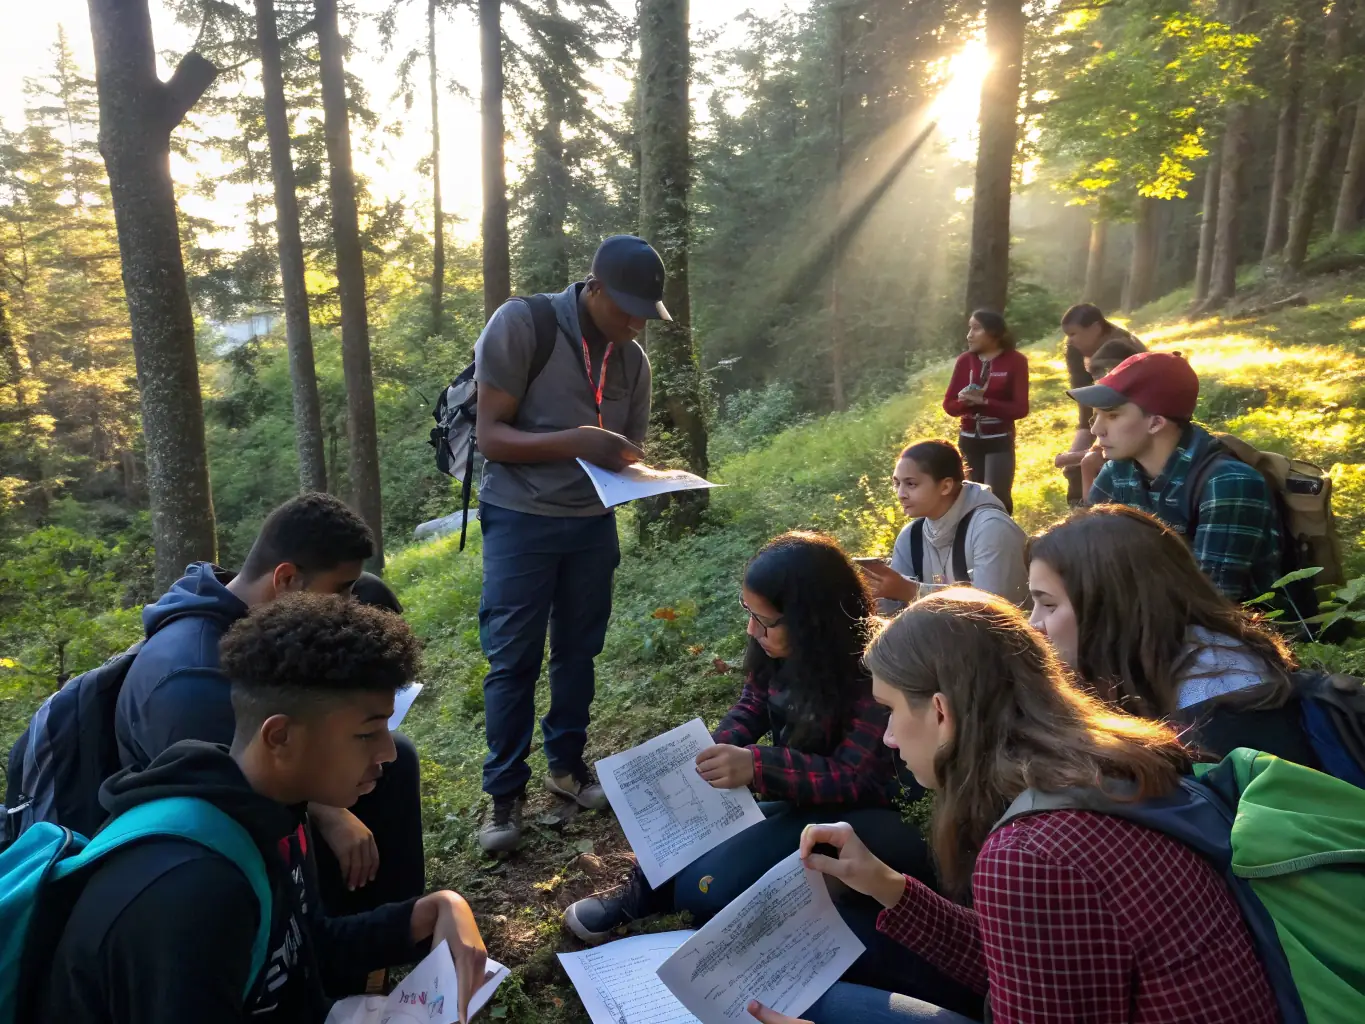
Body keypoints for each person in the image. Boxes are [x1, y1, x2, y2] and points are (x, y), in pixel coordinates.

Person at [748, 589, 1278, 1024]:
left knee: (813, 1002)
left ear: (941, 712)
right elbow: (1035, 965)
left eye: (890, 710)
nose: (887, 736)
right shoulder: (1110, 762)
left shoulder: (1030, 852)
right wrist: (886, 885)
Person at [38, 593, 488, 1024]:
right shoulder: (190, 892)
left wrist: (431, 911)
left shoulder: (275, 810)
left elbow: (299, 951)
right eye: (367, 733)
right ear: (281, 737)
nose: (388, 752)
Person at [563, 534, 950, 990]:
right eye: (748, 613)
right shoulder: (776, 650)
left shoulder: (872, 665)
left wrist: (758, 766)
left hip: (869, 816)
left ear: (812, 619)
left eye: (764, 620)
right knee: (700, 833)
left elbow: (856, 777)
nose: (752, 630)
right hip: (802, 799)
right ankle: (641, 895)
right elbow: (753, 702)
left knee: (710, 888)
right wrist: (716, 749)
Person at [114, 493, 427, 931]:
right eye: (341, 590)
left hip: (266, 792)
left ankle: (402, 931)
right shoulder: (192, 678)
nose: (349, 606)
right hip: (211, 839)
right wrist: (329, 813)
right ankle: (330, 946)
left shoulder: (244, 612)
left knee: (395, 760)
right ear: (286, 578)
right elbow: (227, 796)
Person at [474, 235, 665, 855]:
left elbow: (629, 449)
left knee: (580, 651)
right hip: (520, 517)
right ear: (595, 288)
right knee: (514, 658)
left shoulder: (633, 361)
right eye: (628, 309)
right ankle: (504, 793)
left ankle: (567, 765)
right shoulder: (523, 325)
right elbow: (491, 438)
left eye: (646, 314)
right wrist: (579, 439)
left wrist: (644, 470)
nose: (636, 324)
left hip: (591, 522)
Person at [1027, 505, 1320, 766]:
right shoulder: (1158, 663)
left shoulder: (1221, 707)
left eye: (1049, 605)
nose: (1033, 623)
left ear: (1112, 605)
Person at [1072, 350, 1282, 602]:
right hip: (1146, 611)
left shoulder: (1229, 484)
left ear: (1155, 423)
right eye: (1096, 415)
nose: (1096, 429)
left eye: (1112, 415)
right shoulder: (1117, 472)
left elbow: (1214, 602)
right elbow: (1085, 557)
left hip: (1233, 624)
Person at [859, 440, 1027, 612]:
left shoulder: (991, 529)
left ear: (945, 486)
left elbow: (995, 611)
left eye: (911, 484)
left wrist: (911, 591)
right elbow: (893, 612)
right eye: (897, 483)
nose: (901, 494)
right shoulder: (910, 536)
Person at [941, 309, 1028, 515]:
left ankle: (1002, 533)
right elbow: (949, 406)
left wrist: (985, 402)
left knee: (997, 499)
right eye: (969, 328)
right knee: (971, 499)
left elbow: (1020, 409)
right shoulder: (965, 361)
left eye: (976, 328)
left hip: (999, 439)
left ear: (994, 332)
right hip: (968, 440)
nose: (969, 335)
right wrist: (965, 403)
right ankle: (974, 535)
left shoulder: (1016, 361)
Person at [1056, 304, 1146, 505]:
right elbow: (1084, 395)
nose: (1069, 340)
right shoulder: (1075, 350)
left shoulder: (1123, 349)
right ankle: (1081, 510)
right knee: (1074, 469)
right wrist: (1085, 431)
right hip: (1103, 413)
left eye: (1073, 334)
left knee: (1091, 464)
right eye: (1067, 335)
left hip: (1133, 418)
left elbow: (1131, 405)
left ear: (1096, 327)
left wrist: (1087, 455)